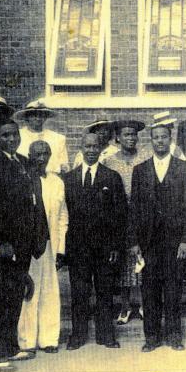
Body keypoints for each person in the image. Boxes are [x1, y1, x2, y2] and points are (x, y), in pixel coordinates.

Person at [0, 113, 47, 371]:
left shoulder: (24, 163)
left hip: (23, 244)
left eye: (14, 134)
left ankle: (10, 347)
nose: (11, 139)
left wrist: (37, 237)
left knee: (15, 295)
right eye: (5, 135)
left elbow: (34, 203)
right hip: (3, 247)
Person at [128, 117, 186, 352]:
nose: (160, 141)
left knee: (173, 290)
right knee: (149, 291)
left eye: (164, 137)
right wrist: (134, 242)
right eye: (156, 137)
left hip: (174, 242)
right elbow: (134, 208)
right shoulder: (140, 170)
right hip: (149, 242)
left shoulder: (184, 168)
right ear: (151, 141)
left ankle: (174, 335)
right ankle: (152, 337)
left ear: (170, 139)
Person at [61, 133, 127, 350]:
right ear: (81, 148)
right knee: (79, 293)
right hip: (78, 247)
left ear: (101, 149)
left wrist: (116, 246)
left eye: (95, 146)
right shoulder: (69, 179)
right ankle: (78, 335)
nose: (91, 150)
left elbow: (120, 215)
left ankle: (106, 334)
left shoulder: (111, 177)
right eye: (87, 146)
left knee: (105, 292)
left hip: (104, 247)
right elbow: (64, 214)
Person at [17, 141, 68, 355]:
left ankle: (49, 339)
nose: (41, 158)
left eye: (45, 153)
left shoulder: (56, 182)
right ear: (29, 155)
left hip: (49, 245)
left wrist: (60, 249)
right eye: (37, 154)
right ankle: (27, 341)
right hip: (27, 247)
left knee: (49, 291)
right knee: (28, 292)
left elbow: (63, 216)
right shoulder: (23, 180)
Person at [101, 119, 151, 325]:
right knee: (124, 264)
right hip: (121, 215)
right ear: (118, 138)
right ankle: (125, 307)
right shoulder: (110, 161)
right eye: (126, 135)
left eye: (133, 134)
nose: (130, 138)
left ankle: (145, 305)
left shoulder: (146, 157)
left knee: (144, 259)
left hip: (142, 214)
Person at [16, 100, 69, 175]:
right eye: (34, 115)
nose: (38, 118)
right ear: (26, 117)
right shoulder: (16, 137)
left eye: (41, 115)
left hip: (51, 181)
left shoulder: (58, 139)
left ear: (46, 117)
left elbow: (64, 167)